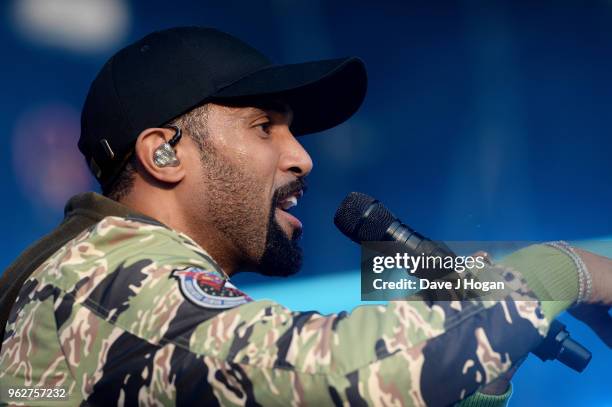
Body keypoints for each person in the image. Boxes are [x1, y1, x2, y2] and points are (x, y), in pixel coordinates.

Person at [0, 27, 610, 407]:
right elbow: (346, 369)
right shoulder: (113, 280)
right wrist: (563, 270)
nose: (302, 157)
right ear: (163, 153)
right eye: (264, 126)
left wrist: (479, 387)